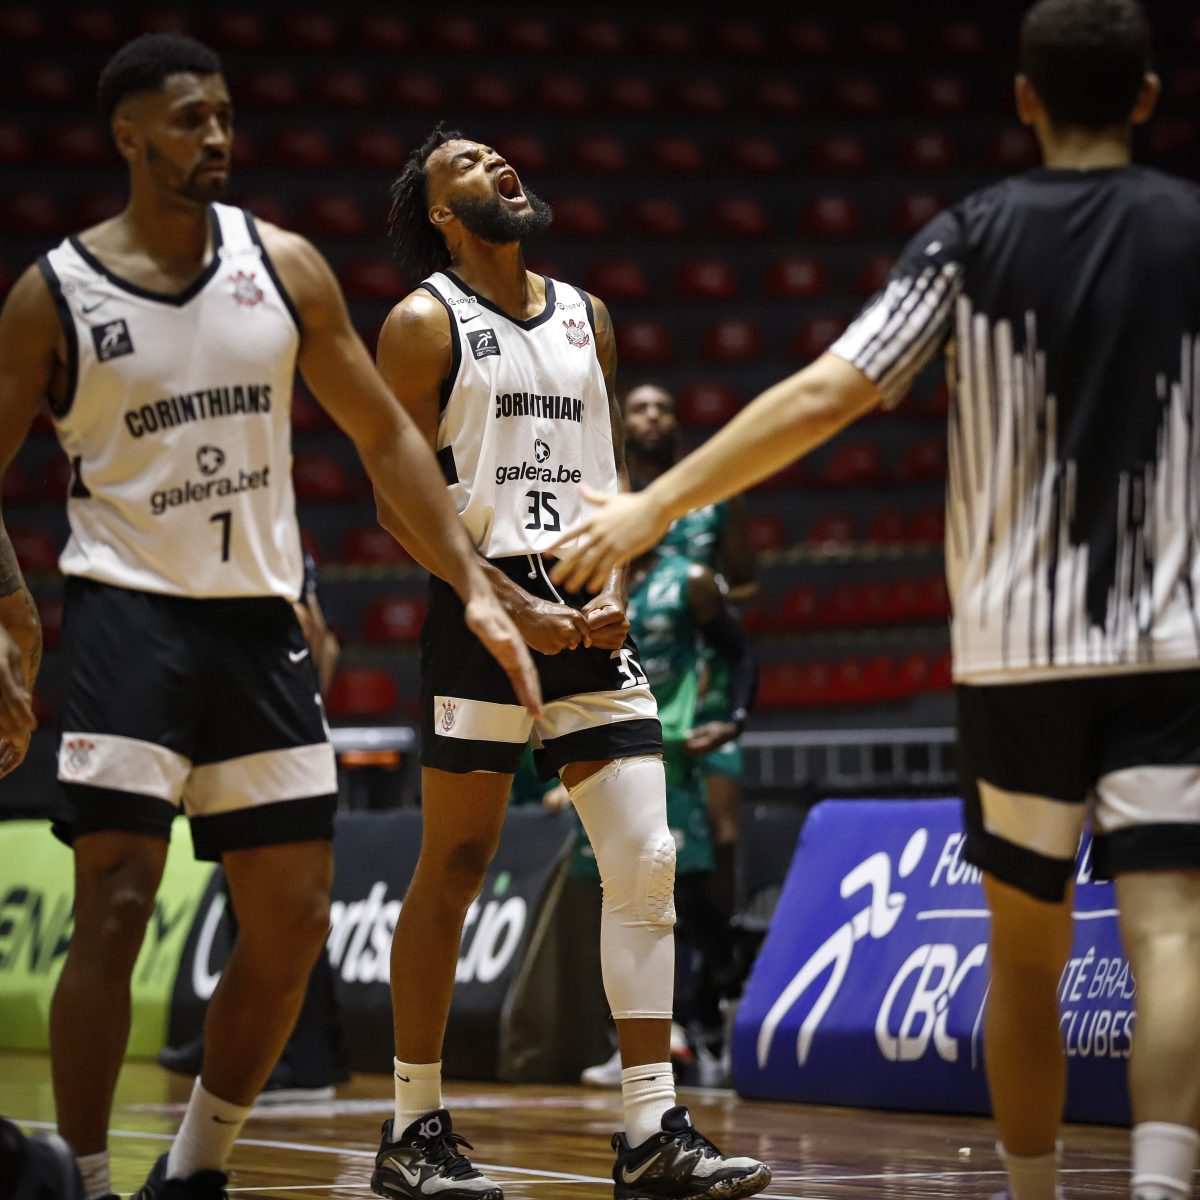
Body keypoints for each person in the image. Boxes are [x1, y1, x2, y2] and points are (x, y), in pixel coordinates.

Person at [551, 3, 1199, 1199]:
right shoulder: (1190, 229)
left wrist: (653, 507)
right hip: (1170, 649)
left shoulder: (969, 240)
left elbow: (827, 395)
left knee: (1026, 950)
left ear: (1023, 99)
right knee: (1171, 937)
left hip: (1016, 659)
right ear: (1149, 98)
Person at [0, 34, 539, 1200]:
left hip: (260, 624)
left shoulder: (283, 265)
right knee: (116, 904)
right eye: (189, 119)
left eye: (225, 116)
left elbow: (385, 434)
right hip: (127, 617)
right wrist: (8, 609)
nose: (216, 136)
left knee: (293, 922)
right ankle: (83, 1179)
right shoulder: (54, 294)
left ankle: (194, 1172)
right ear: (129, 137)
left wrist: (471, 580)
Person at [368, 126, 771, 1200]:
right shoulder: (421, 323)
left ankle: (651, 1130)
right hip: (482, 609)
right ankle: (412, 1129)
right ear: (441, 214)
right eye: (467, 164)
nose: (498, 165)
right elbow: (397, 502)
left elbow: (610, 478)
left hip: (589, 607)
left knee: (646, 854)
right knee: (455, 866)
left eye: (499, 155)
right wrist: (507, 606)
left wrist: (619, 583)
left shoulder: (589, 315)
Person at [580, 536, 757, 1088]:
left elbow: (738, 650)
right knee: (615, 888)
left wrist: (734, 720)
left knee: (686, 888)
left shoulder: (691, 580)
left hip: (673, 747)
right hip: (605, 738)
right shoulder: (582, 576)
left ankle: (718, 1003)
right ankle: (642, 1038)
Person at [623, 383, 757, 958]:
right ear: (622, 425)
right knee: (648, 838)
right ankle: (664, 962)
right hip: (644, 680)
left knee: (720, 833)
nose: (653, 417)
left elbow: (745, 584)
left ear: (677, 422)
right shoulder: (611, 496)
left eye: (664, 407)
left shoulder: (716, 496)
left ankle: (721, 964)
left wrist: (701, 601)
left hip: (708, 683)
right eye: (640, 409)